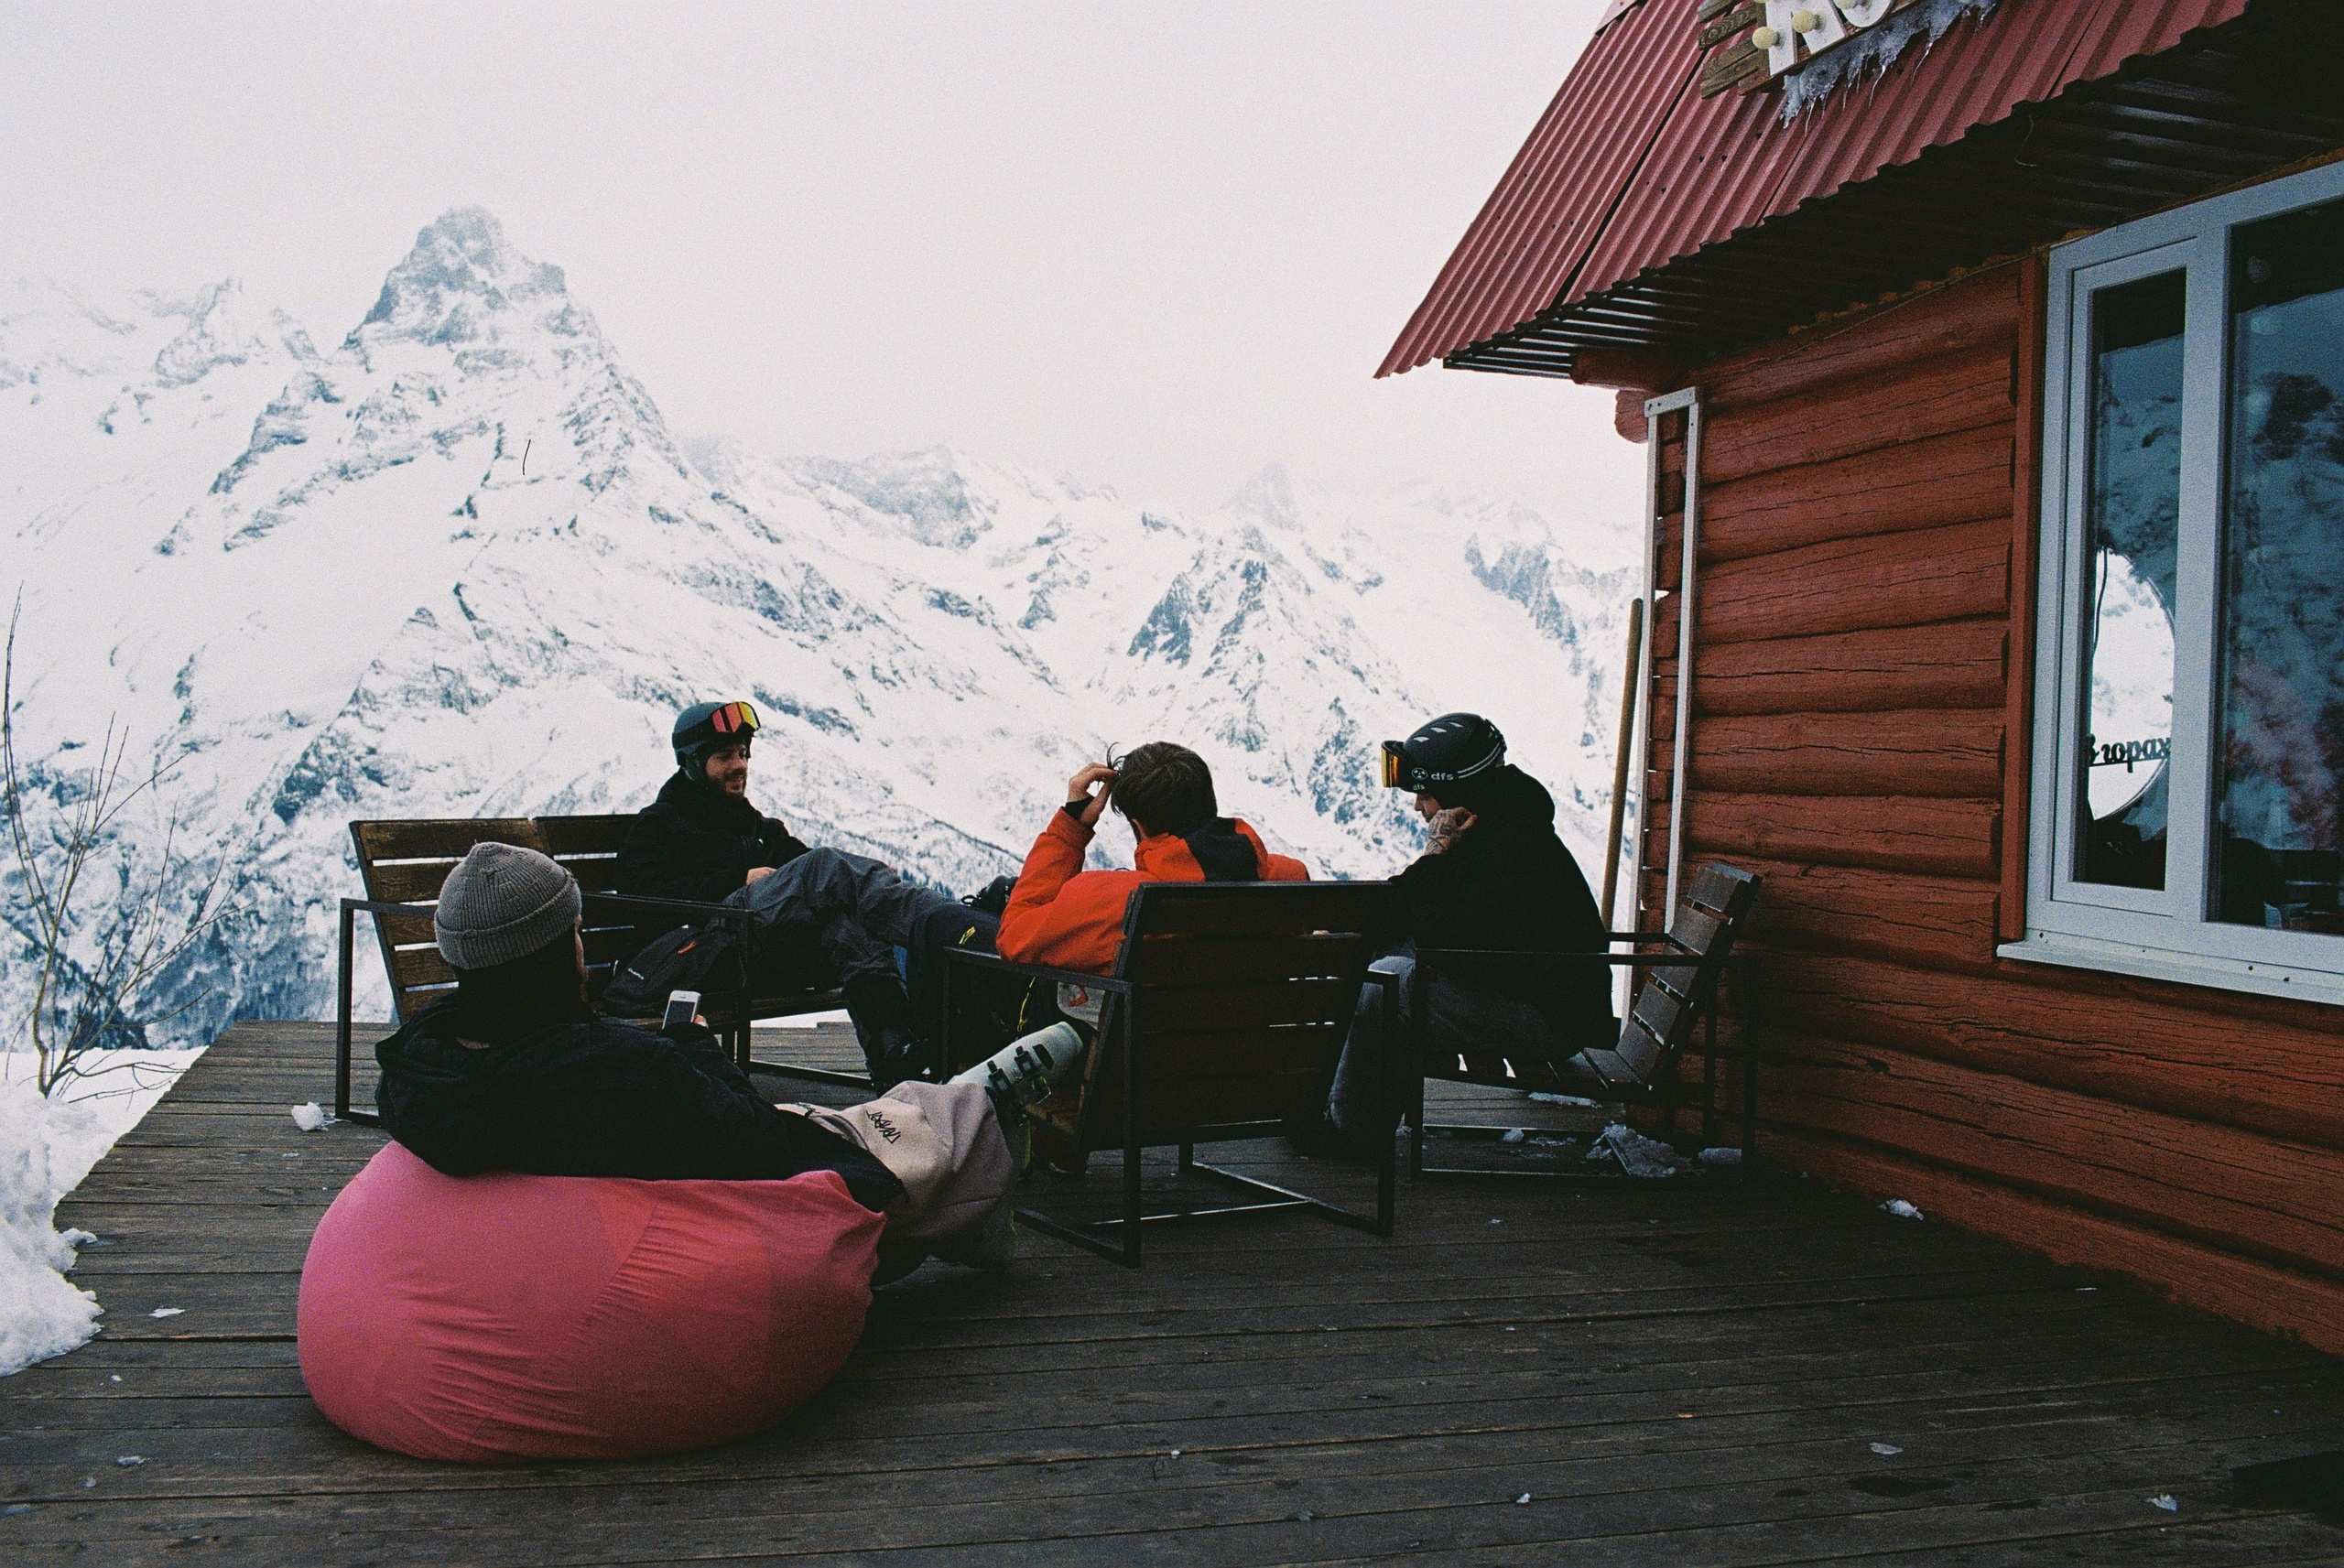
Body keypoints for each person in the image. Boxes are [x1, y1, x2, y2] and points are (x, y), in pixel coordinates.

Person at [376, 842, 1086, 1280]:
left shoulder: (421, 1071)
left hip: (621, 1195)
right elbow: (756, 1145)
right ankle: (976, 1114)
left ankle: (937, 1104)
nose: (737, 755)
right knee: (868, 1149)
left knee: (839, 916)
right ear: (565, 948)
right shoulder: (620, 1069)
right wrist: (694, 1050)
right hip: (718, 1206)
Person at [1296, 712, 1614, 1158]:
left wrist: (1436, 856)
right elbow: (1412, 914)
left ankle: (1353, 1133)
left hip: (1550, 1021)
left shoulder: (1510, 849)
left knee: (1387, 982)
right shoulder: (1499, 827)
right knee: (1376, 953)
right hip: (1525, 993)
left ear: (1458, 794)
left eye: (1425, 794)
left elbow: (1441, 935)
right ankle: (1332, 1105)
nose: (1418, 808)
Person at [615, 699, 978, 1087]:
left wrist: (862, 879)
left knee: (843, 918)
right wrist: (738, 879)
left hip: (757, 959)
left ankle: (895, 1052)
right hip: (699, 953)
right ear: (690, 763)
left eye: (742, 753)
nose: (739, 765)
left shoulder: (752, 824)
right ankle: (959, 930)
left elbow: (806, 868)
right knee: (827, 868)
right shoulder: (661, 823)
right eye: (724, 756)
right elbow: (640, 895)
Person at [998, 741, 1310, 974]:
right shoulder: (1290, 882)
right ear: (1210, 801)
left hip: (1145, 1057)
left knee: (949, 921)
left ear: (1139, 826)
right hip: (1254, 1052)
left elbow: (1013, 938)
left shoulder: (1118, 902)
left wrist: (1070, 828)